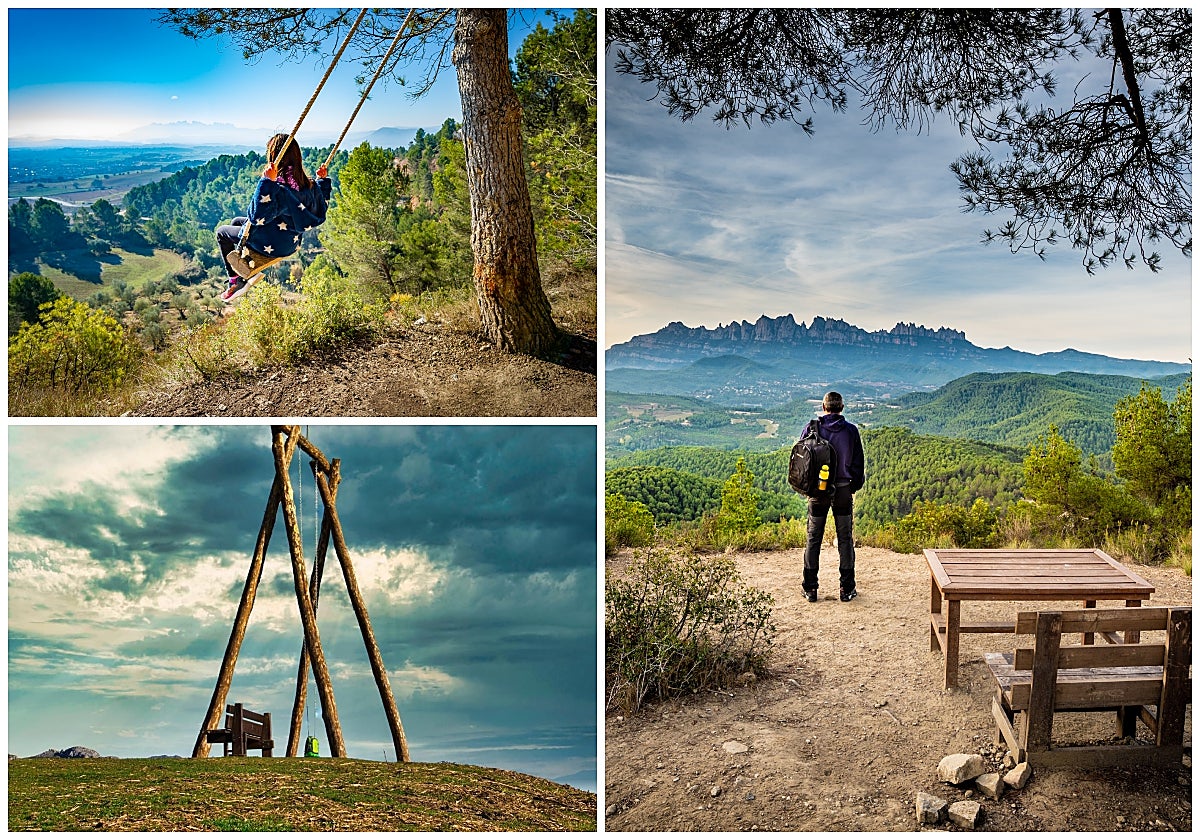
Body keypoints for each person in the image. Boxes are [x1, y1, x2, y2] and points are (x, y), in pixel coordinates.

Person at [216, 133, 332, 302]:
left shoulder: (278, 188)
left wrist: (266, 183)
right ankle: (244, 270)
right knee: (236, 222)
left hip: (270, 244)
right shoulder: (308, 184)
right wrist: (323, 181)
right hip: (289, 243)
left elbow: (256, 217)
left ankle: (236, 281)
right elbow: (322, 207)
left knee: (221, 232)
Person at [801, 390, 865, 603]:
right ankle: (846, 589)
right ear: (842, 408)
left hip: (818, 491)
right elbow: (858, 465)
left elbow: (803, 461)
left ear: (823, 407)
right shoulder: (851, 431)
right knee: (845, 539)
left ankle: (810, 589)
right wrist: (852, 486)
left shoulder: (811, 429)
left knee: (813, 538)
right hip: (843, 490)